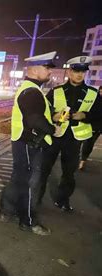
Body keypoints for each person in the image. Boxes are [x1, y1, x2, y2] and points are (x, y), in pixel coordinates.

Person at [0, 51, 60, 236]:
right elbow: (34, 120)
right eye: (46, 67)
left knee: (18, 179)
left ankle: (6, 211)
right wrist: (52, 129)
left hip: (22, 142)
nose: (50, 72)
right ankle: (28, 221)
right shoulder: (31, 92)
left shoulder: (30, 89)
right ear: (34, 69)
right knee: (31, 184)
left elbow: (35, 115)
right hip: (29, 144)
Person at [38, 56, 102, 212]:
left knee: (69, 173)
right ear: (69, 71)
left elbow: (100, 114)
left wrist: (85, 116)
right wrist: (54, 115)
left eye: (82, 71)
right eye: (76, 71)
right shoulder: (56, 91)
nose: (79, 74)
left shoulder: (93, 94)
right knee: (44, 169)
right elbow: (44, 110)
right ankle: (36, 197)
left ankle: (63, 200)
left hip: (74, 139)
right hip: (55, 135)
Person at [79, 85, 102, 170]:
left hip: (96, 127)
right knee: (79, 140)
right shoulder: (94, 100)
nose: (101, 93)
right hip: (87, 124)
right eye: (100, 92)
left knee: (89, 143)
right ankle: (80, 158)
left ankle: (83, 160)